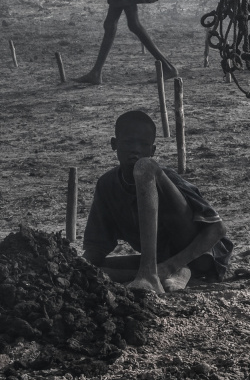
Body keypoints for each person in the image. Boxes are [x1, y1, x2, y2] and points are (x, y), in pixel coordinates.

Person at [82, 110, 233, 293]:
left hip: (201, 258)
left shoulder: (165, 178)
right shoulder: (107, 185)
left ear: (152, 150)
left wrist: (171, 265)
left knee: (145, 168)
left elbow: (218, 228)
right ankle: (175, 273)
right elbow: (97, 246)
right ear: (114, 144)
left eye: (143, 145)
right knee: (90, 272)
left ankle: (152, 274)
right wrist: (76, 267)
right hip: (161, 260)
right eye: (129, 142)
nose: (135, 150)